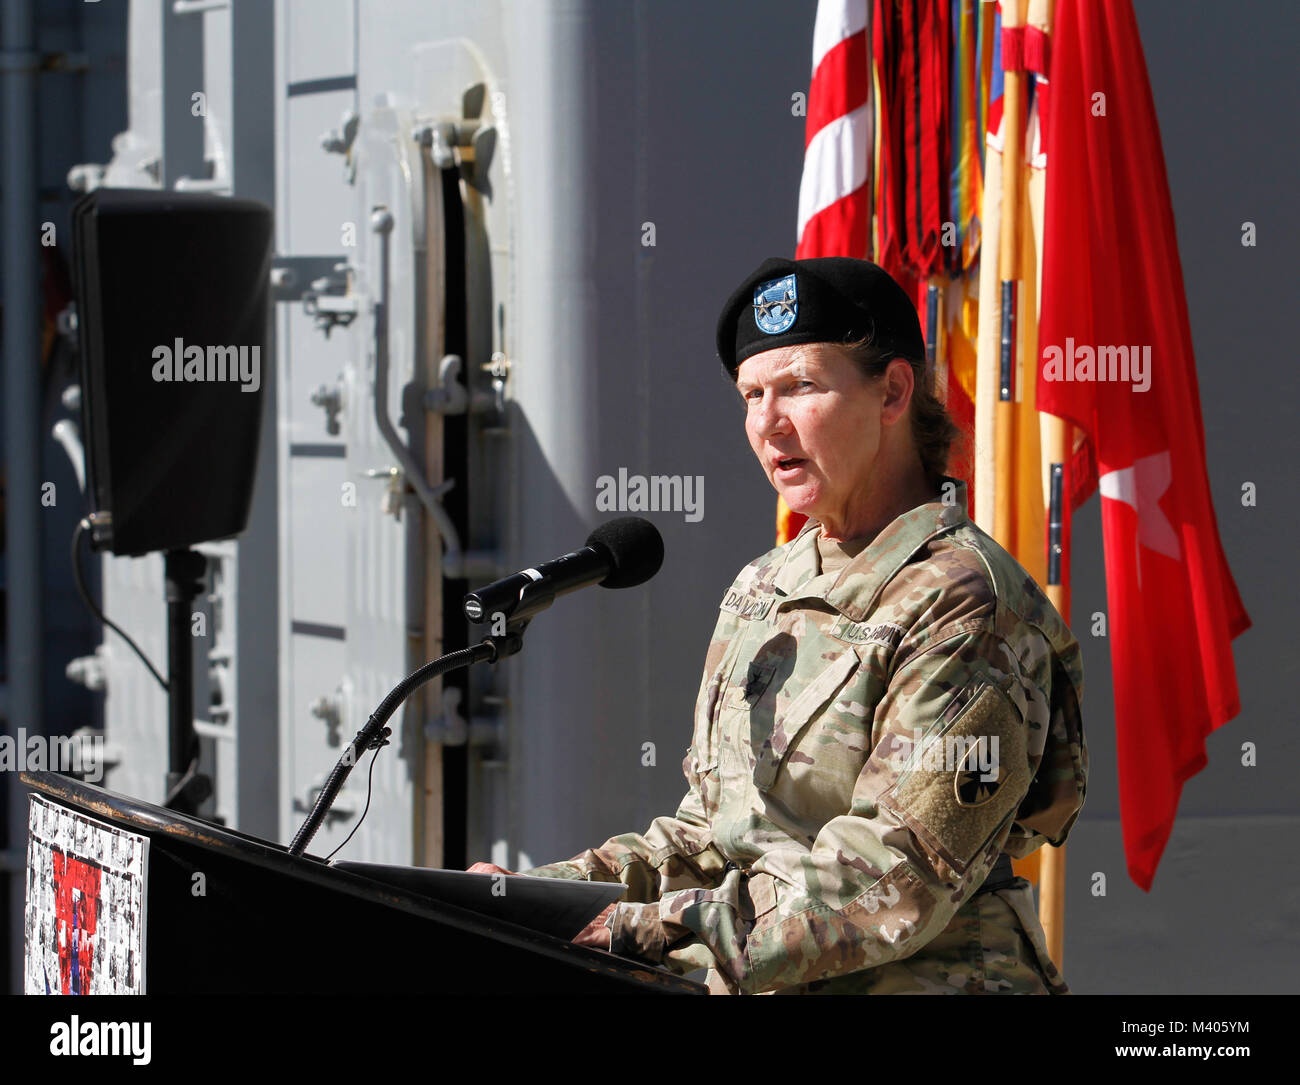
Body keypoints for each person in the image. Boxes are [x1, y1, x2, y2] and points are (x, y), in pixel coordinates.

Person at [470, 256, 1088, 995]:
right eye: (751, 394)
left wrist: (654, 928)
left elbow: (896, 874)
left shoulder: (964, 601)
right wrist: (541, 895)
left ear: (893, 392)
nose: (767, 422)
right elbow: (712, 834)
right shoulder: (765, 587)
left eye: (800, 387)